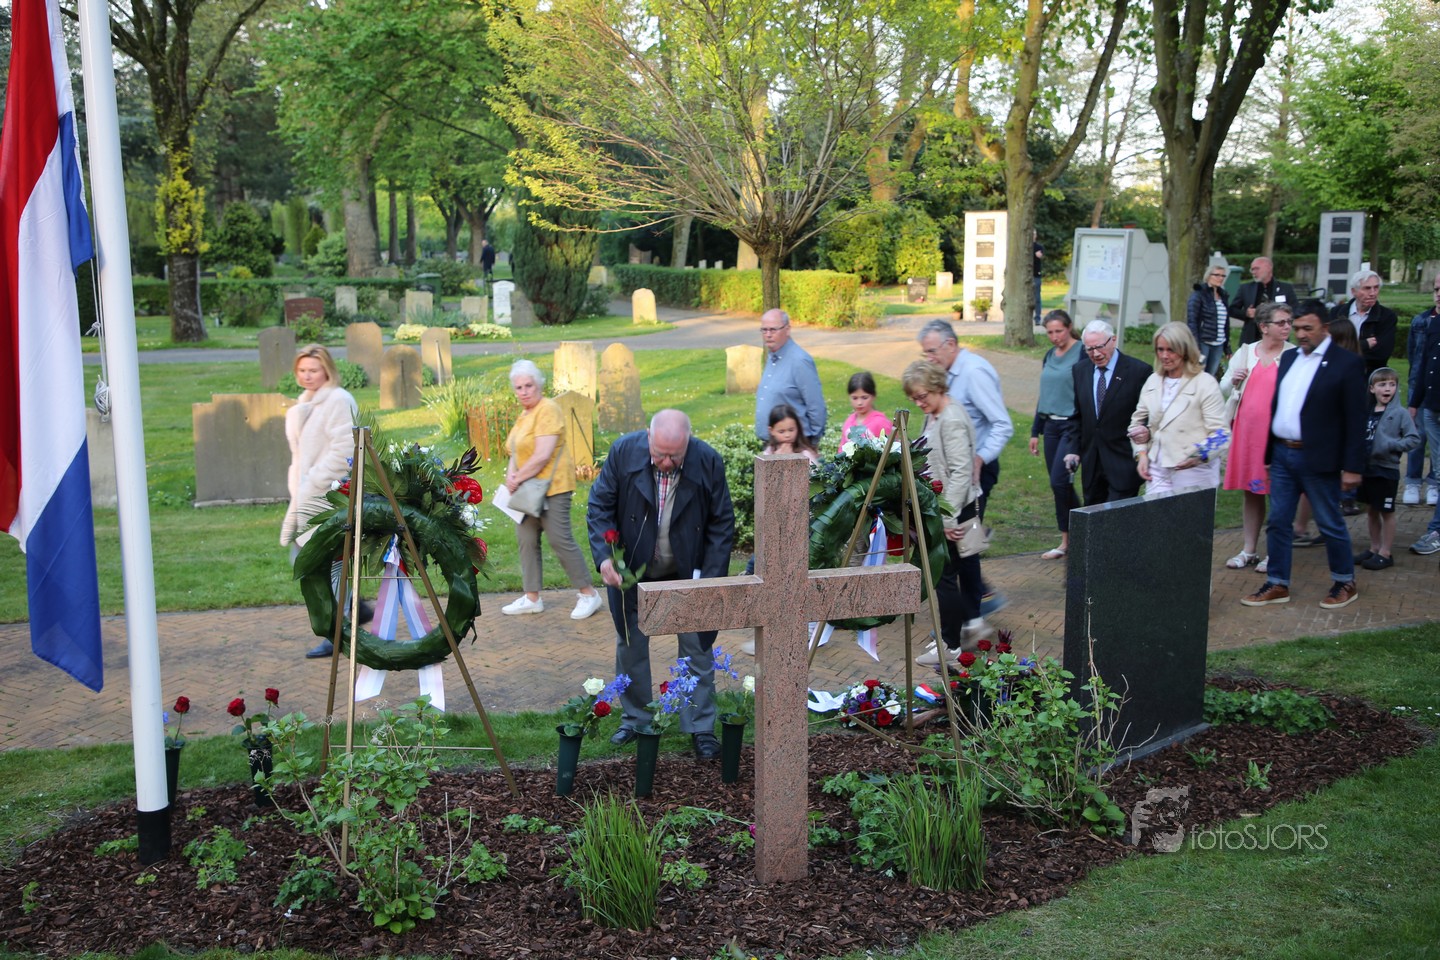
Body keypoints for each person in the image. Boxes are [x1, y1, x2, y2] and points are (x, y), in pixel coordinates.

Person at [586, 409, 735, 759]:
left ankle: (699, 726)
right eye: (660, 454)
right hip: (632, 569)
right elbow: (600, 506)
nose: (666, 462)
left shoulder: (708, 461)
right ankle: (636, 720)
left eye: (675, 456)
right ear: (648, 437)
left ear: (688, 443)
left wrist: (709, 581)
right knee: (631, 645)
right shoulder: (624, 451)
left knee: (698, 648)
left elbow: (721, 523)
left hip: (688, 569)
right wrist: (605, 558)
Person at [1241, 300, 1367, 610]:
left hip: (1318, 457)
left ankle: (1344, 581)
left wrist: (1352, 467)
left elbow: (1356, 420)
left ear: (1325, 328)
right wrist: (1270, 454)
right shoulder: (1289, 358)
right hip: (1282, 454)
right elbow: (1279, 407)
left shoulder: (1346, 363)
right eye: (1296, 328)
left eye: (1307, 328)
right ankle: (1277, 582)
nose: (1300, 334)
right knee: (1278, 521)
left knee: (1329, 521)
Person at [917, 318, 1012, 616]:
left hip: (974, 471)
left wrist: (980, 457)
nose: (929, 358)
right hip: (955, 473)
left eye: (932, 351)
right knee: (964, 546)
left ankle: (971, 612)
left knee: (962, 545)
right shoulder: (944, 376)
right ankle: (976, 607)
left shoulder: (974, 372)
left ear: (951, 344)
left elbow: (1002, 424)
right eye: (925, 353)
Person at [500, 359, 603, 620]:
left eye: (528, 386)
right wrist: (510, 476)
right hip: (527, 489)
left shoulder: (548, 409)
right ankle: (531, 598)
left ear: (539, 385)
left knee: (559, 539)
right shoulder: (524, 415)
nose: (524, 392)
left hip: (552, 487)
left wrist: (517, 477)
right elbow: (515, 451)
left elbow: (542, 455)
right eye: (519, 387)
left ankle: (589, 594)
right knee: (526, 539)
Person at [901, 361, 984, 667]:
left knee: (944, 577)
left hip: (954, 510)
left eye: (922, 396)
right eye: (914, 398)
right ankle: (963, 630)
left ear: (937, 387)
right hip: (955, 507)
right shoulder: (935, 413)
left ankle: (949, 645)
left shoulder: (951, 419)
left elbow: (961, 472)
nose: (918, 403)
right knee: (964, 571)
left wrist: (947, 519)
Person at [280, 344, 360, 659]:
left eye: (313, 370)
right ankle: (350, 612)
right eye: (302, 370)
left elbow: (344, 449)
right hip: (307, 495)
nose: (307, 375)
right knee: (307, 561)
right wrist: (300, 484)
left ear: (327, 369)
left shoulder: (338, 400)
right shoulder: (306, 403)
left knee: (327, 564)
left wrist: (314, 480)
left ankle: (338, 630)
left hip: (328, 494)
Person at [1220, 302, 1297, 572]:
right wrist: (1234, 380)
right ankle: (1249, 550)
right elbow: (1223, 387)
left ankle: (1275, 552)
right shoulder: (1246, 352)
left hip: (1277, 439)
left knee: (1279, 494)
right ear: (1264, 327)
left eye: (1289, 322)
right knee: (1252, 492)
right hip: (1247, 436)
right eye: (1281, 322)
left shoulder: (1293, 355)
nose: (1287, 327)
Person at [1130, 323, 1228, 495]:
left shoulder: (1205, 383)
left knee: (1188, 513)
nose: (1164, 356)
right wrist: (1142, 454)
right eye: (1160, 349)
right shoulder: (1153, 381)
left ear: (1185, 350)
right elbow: (1136, 423)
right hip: (1157, 469)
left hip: (1194, 471)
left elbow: (1221, 434)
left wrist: (1198, 456)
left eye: (1171, 350)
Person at [1063, 319, 1151, 504]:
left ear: (1113, 340)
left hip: (1123, 463)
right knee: (1093, 516)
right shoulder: (1080, 371)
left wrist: (1145, 435)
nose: (1095, 354)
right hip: (1092, 465)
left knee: (1117, 518)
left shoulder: (1139, 372)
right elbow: (1078, 415)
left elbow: (1149, 417)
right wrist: (1073, 450)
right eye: (1089, 349)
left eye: (1100, 347)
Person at [1354, 367, 1420, 571]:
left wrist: (1391, 445)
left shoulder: (1400, 414)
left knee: (1386, 511)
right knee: (1372, 510)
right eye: (1382, 384)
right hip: (1367, 469)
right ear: (1372, 389)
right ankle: (1374, 548)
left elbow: (1413, 439)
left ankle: (1385, 552)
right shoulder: (1367, 412)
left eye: (1392, 384)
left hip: (1386, 470)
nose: (1388, 388)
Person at [1028, 309, 1082, 559]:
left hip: (1072, 426)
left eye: (1059, 331)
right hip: (1050, 427)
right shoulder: (1049, 355)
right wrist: (1035, 431)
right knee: (1060, 486)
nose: (1054, 336)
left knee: (1060, 481)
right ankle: (1071, 537)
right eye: (1050, 332)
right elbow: (1045, 395)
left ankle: (1075, 536)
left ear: (1069, 328)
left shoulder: (1082, 352)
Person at [754, 308, 826, 447]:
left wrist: (810, 443)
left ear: (787, 330)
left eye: (773, 330)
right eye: (764, 330)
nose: (768, 335)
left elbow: (816, 405)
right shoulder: (773, 357)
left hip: (794, 446)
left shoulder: (799, 361)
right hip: (773, 445)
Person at [1402, 275, 1440, 506]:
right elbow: (1414, 356)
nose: (1439, 293)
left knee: (1436, 441)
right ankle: (1412, 481)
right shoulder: (1421, 321)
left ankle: (1434, 482)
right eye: (1436, 289)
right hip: (1421, 385)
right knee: (1417, 436)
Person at [1407, 306, 1440, 556]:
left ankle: (1436, 530)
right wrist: (1415, 402)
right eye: (1437, 289)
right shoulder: (1433, 323)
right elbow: (1425, 365)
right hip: (1431, 408)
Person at [1330, 269, 1397, 375]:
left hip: (1368, 376)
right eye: (1367, 288)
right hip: (1338, 374)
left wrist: (1344, 351)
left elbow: (1381, 355)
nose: (1373, 293)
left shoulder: (1387, 316)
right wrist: (1364, 344)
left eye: (1376, 288)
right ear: (1354, 291)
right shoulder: (1337, 313)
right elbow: (1329, 348)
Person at [1230, 257, 1297, 346]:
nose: (1253, 272)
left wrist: (1281, 316)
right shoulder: (1246, 288)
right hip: (1251, 337)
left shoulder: (1285, 288)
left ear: (1268, 268)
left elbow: (1296, 309)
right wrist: (1246, 313)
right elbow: (1232, 310)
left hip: (1277, 337)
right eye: (1252, 269)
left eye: (1256, 269)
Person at [1186, 264, 1231, 378]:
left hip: (1219, 343)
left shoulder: (1223, 295)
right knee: (1198, 374)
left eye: (1223, 276)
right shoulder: (1198, 294)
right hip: (1203, 342)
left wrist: (1227, 347)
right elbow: (1192, 321)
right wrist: (1195, 344)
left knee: (1210, 376)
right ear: (1208, 276)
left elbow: (1225, 324)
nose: (1220, 278)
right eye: (1217, 275)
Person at [837, 371, 893, 452]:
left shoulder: (881, 422)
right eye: (855, 398)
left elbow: (892, 451)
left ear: (873, 396)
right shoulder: (849, 422)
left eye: (864, 397)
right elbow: (841, 450)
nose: (859, 403)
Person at [1032, 233, 1044, 325]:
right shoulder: (1023, 247)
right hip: (1025, 275)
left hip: (1036, 275)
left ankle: (1037, 318)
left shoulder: (1038, 247)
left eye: (1034, 234)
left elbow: (1039, 255)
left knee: (1037, 298)